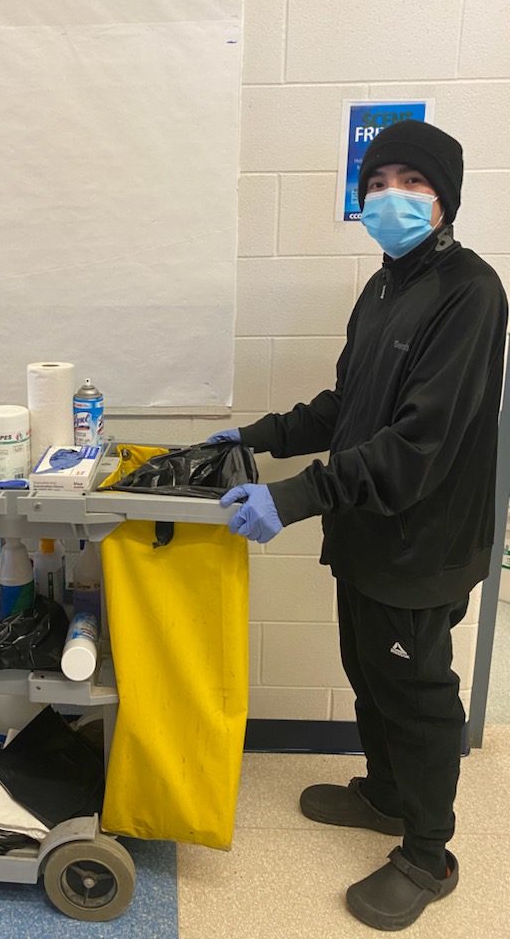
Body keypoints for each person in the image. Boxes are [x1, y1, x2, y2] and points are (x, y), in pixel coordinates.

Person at [209, 120, 508, 931]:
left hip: (424, 540)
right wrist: (259, 436)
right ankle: (385, 792)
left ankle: (427, 851)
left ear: (444, 199)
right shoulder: (383, 288)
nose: (389, 197)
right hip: (369, 532)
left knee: (416, 691)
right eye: (377, 183)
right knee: (368, 668)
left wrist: (295, 497)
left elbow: (416, 444)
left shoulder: (471, 293)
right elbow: (349, 408)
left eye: (410, 182)